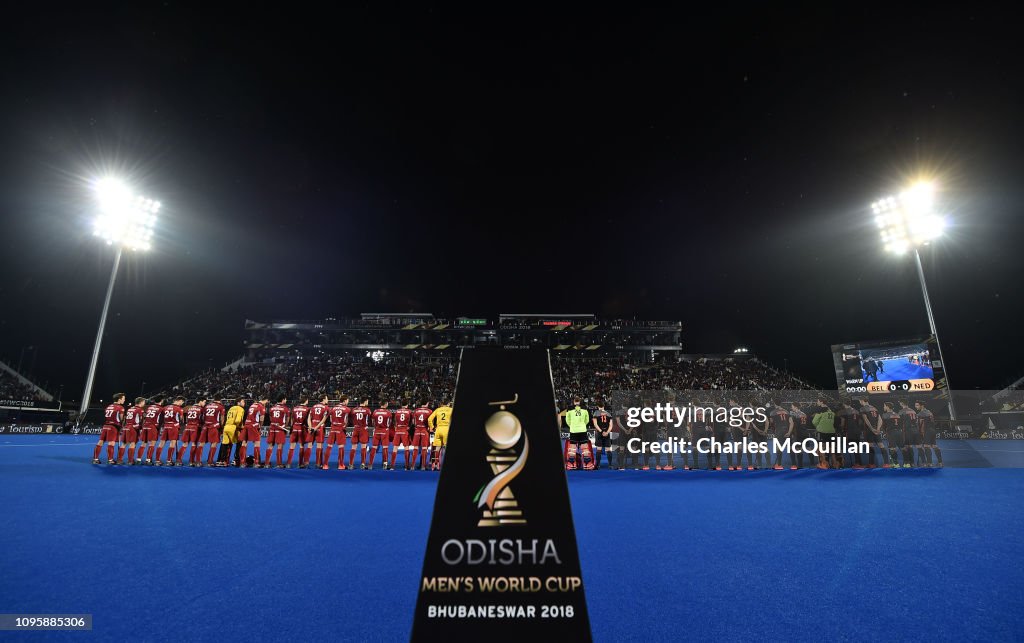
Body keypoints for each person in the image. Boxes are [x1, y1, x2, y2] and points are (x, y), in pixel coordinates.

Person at [559, 397, 593, 470]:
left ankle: (572, 465)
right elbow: (587, 419)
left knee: (572, 448)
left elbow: (567, 420)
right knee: (585, 448)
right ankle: (587, 465)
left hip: (573, 430)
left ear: (574, 402)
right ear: (579, 402)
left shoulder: (569, 408)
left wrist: (571, 425)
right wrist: (583, 425)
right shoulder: (584, 408)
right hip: (583, 429)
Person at [93, 392, 125, 465]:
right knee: (111, 443)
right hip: (113, 427)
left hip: (106, 426)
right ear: (119, 399)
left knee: (100, 442)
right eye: (123, 399)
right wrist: (121, 426)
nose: (124, 400)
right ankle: (110, 460)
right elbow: (121, 419)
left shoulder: (109, 406)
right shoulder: (120, 407)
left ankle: (95, 459)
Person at [155, 396, 185, 466]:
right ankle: (169, 460)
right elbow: (181, 420)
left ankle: (157, 460)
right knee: (172, 443)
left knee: (161, 443)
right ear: (179, 400)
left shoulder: (165, 407)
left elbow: (161, 418)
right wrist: (179, 425)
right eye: (182, 402)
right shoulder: (179, 409)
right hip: (174, 427)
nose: (182, 404)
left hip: (166, 426)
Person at [240, 396, 268, 468]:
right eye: (267, 401)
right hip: (254, 426)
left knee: (244, 443)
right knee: (257, 443)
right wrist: (260, 427)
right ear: (264, 400)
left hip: (247, 424)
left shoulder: (252, 405)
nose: (267, 403)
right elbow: (261, 419)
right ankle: (256, 463)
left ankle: (242, 462)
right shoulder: (261, 407)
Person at [324, 395, 351, 470]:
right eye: (347, 400)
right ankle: (341, 465)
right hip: (341, 429)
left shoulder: (333, 408)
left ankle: (325, 465)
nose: (348, 402)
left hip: (333, 428)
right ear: (345, 400)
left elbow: (330, 419)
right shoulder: (347, 409)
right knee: (341, 447)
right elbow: (346, 420)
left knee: (329, 446)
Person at [857, 397, 885, 468]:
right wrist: (878, 429)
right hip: (877, 429)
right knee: (881, 445)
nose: (860, 402)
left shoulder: (862, 409)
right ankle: (887, 463)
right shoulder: (874, 408)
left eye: (860, 401)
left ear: (862, 400)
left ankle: (872, 464)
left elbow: (866, 420)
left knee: (870, 446)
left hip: (869, 430)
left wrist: (872, 429)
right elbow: (880, 419)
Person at [218, 397, 246, 466]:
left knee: (225, 444)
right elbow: (237, 420)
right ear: (238, 403)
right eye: (243, 402)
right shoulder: (240, 409)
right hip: (234, 427)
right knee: (239, 444)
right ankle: (237, 461)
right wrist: (240, 427)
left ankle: (223, 461)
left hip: (226, 427)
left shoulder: (231, 408)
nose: (244, 403)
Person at [118, 397, 146, 465]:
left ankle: (119, 460)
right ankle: (130, 461)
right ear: (141, 402)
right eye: (144, 402)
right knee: (132, 444)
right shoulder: (140, 410)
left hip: (126, 427)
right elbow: (141, 421)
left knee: (124, 444)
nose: (144, 403)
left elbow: (124, 419)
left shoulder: (130, 409)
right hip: (133, 428)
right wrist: (141, 428)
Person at [264, 395, 290, 468]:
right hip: (280, 429)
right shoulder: (286, 409)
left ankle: (266, 463)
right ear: (283, 400)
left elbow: (270, 418)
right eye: (285, 399)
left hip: (272, 428)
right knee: (280, 446)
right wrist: (285, 425)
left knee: (270, 446)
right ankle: (279, 464)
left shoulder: (272, 408)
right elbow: (287, 419)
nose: (286, 400)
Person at [198, 395, 224, 466]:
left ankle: (198, 461)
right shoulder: (220, 407)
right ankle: (210, 461)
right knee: (214, 443)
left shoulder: (207, 406)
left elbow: (202, 417)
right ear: (220, 400)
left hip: (205, 426)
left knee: (201, 444)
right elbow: (222, 418)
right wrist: (221, 427)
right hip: (214, 426)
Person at [305, 394, 330, 469]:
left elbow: (309, 418)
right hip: (319, 428)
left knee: (309, 446)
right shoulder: (326, 408)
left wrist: (310, 427)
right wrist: (316, 427)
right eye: (327, 399)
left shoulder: (313, 407)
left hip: (312, 426)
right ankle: (318, 463)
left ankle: (306, 462)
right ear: (323, 399)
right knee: (319, 446)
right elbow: (323, 420)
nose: (327, 400)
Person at [915, 401, 942, 467]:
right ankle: (940, 462)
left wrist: (919, 434)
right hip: (932, 430)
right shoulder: (929, 412)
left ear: (922, 405)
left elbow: (919, 425)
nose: (916, 407)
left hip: (926, 431)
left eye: (917, 405)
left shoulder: (920, 414)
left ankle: (929, 463)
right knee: (934, 446)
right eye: (916, 405)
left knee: (926, 446)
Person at [180, 396, 206, 466]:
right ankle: (191, 461)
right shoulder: (201, 409)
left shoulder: (189, 408)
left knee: (185, 444)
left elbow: (184, 419)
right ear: (200, 401)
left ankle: (178, 460)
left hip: (187, 427)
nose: (204, 404)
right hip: (196, 427)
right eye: (204, 402)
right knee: (194, 443)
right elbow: (202, 419)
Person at [428, 401, 453, 470]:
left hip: (438, 430)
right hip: (446, 429)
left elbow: (429, 419)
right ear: (448, 404)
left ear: (441, 404)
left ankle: (436, 464)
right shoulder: (451, 409)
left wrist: (432, 427)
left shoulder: (438, 410)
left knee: (437, 448)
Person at [812, 397, 836, 469]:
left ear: (821, 402)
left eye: (818, 401)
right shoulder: (830, 410)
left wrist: (818, 426)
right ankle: (835, 463)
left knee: (821, 448)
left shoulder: (820, 410)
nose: (817, 402)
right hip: (831, 431)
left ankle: (824, 464)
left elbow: (814, 421)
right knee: (831, 449)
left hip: (822, 431)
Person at [139, 396, 165, 465]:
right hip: (153, 426)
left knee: (143, 443)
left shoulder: (149, 407)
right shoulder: (161, 409)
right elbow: (161, 420)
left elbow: (145, 416)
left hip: (146, 425)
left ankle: (138, 459)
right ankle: (148, 460)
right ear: (161, 401)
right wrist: (159, 428)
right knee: (152, 444)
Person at [368, 401, 393, 470]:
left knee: (374, 448)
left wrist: (376, 427)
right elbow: (389, 423)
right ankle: (385, 464)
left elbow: (373, 422)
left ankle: (370, 464)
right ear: (386, 404)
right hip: (384, 431)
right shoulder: (388, 412)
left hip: (377, 431)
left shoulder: (375, 411)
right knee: (385, 448)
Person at [348, 399, 372, 470]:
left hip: (355, 429)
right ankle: (362, 464)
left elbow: (351, 418)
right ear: (364, 402)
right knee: (363, 447)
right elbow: (369, 419)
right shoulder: (367, 410)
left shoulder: (354, 410)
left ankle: (351, 464)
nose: (367, 402)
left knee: (353, 447)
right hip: (363, 429)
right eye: (367, 401)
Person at [287, 395, 310, 468]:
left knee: (291, 446)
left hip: (294, 427)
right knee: (302, 446)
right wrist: (309, 428)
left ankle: (288, 463)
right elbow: (308, 420)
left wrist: (292, 427)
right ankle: (300, 463)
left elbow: (292, 419)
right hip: (302, 428)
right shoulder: (307, 409)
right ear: (306, 401)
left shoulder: (294, 408)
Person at [390, 401, 413, 470]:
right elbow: (412, 421)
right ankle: (406, 466)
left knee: (395, 448)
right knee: (406, 448)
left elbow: (394, 421)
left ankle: (392, 466)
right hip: (405, 430)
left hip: (398, 431)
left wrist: (396, 427)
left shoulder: (397, 411)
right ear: (407, 405)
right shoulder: (409, 411)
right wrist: (409, 427)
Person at [410, 400, 433, 470]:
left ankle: (412, 466)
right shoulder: (429, 411)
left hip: (417, 430)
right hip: (425, 430)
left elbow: (413, 422)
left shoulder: (416, 411)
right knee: (424, 448)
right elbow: (430, 421)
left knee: (415, 448)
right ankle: (423, 466)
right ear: (427, 403)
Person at [591, 401, 614, 470]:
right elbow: (611, 425)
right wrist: (607, 432)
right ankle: (610, 465)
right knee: (608, 449)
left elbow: (595, 424)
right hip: (607, 433)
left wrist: (601, 431)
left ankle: (597, 465)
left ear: (598, 406)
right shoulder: (608, 414)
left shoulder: (596, 413)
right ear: (604, 406)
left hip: (599, 433)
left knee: (599, 449)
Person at [897, 399, 919, 468]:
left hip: (906, 431)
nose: (899, 403)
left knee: (905, 447)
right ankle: (912, 462)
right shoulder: (913, 411)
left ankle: (906, 462)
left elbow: (898, 422)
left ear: (902, 403)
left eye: (900, 402)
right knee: (910, 446)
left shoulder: (901, 411)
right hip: (914, 430)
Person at [881, 402, 903, 467]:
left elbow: (883, 426)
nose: (883, 407)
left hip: (891, 433)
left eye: (884, 406)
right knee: (903, 448)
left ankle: (895, 464)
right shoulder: (897, 414)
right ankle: (908, 463)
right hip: (899, 432)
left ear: (887, 407)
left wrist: (885, 433)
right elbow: (901, 424)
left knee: (892, 449)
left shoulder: (885, 415)